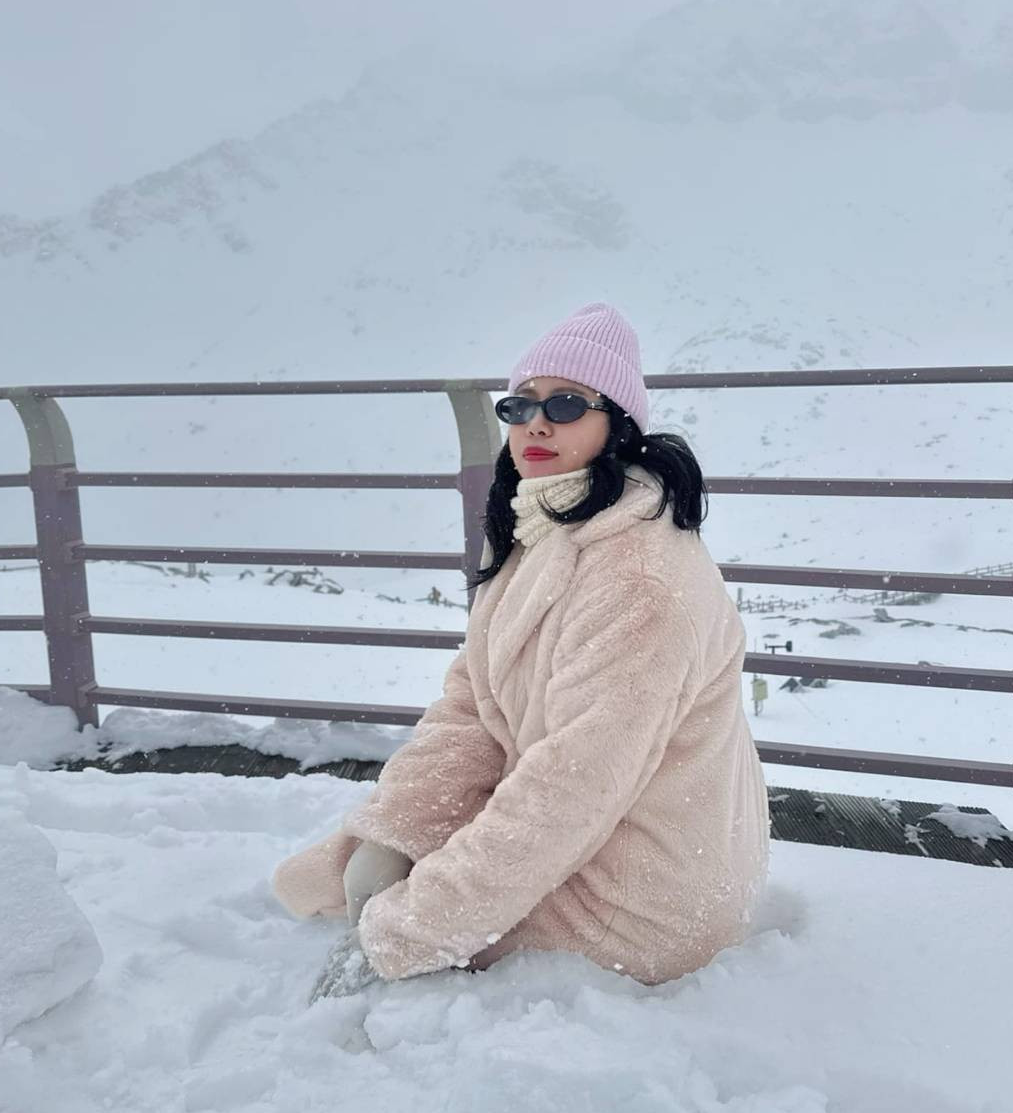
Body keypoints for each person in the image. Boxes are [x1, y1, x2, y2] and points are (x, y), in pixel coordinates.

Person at [272, 301, 770, 985]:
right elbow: (472, 705)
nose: (536, 422)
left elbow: (572, 786)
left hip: (644, 900)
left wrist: (410, 925)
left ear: (619, 426)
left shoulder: (640, 580)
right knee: (354, 884)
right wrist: (397, 832)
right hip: (589, 834)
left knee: (390, 932)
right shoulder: (543, 531)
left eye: (566, 404)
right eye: (520, 404)